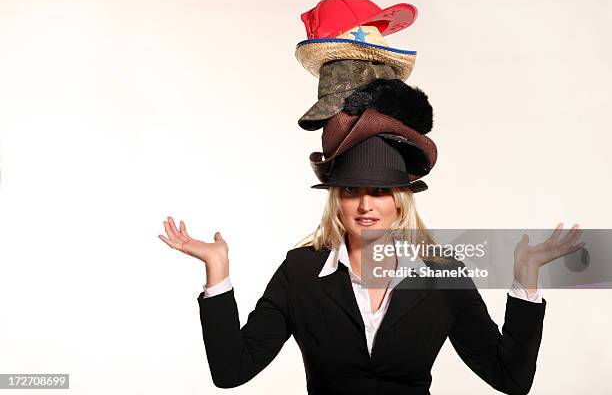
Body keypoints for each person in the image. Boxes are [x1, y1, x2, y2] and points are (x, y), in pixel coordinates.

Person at [158, 135, 584, 394]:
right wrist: (217, 269)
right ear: (335, 200)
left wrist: (526, 276)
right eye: (350, 190)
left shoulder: (441, 276)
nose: (365, 205)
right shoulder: (300, 273)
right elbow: (231, 371)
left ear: (400, 201)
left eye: (380, 190)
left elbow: (511, 379)